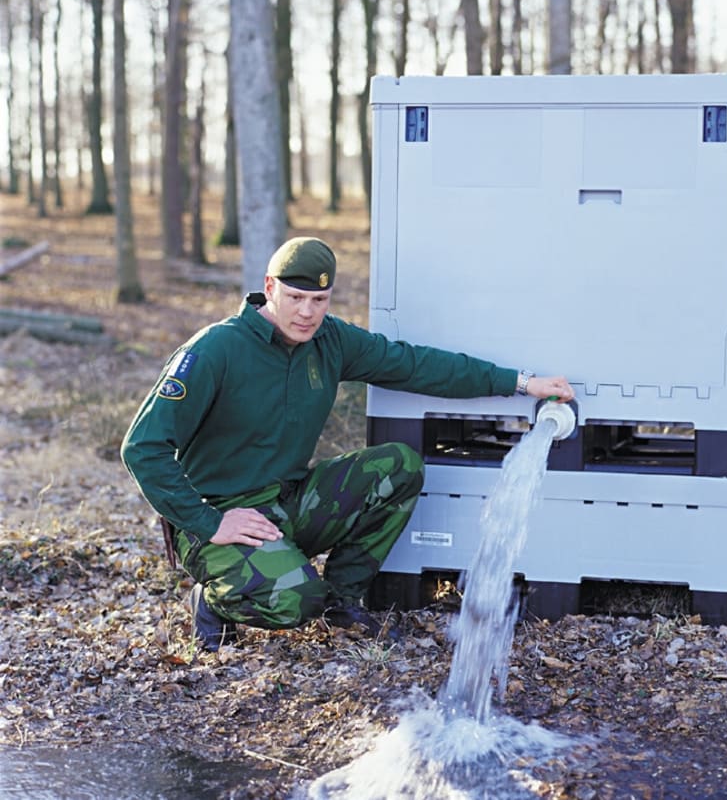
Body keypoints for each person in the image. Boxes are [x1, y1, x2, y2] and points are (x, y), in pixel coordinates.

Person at [121, 237, 575, 651]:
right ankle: (214, 600)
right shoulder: (216, 350)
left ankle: (342, 600)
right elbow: (143, 447)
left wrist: (521, 383)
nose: (307, 313)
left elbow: (415, 365)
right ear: (269, 287)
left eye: (319, 300)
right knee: (295, 603)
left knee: (399, 466)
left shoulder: (330, 340)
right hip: (220, 517)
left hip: (287, 502)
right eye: (296, 298)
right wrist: (209, 521)